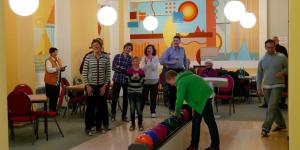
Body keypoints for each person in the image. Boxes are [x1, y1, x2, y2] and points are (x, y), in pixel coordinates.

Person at [166, 70, 220, 150]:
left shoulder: (181, 81)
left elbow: (179, 100)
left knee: (210, 122)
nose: (170, 84)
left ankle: (215, 147)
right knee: (196, 122)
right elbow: (194, 92)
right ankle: (194, 146)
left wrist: (176, 113)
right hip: (201, 98)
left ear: (171, 78)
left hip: (204, 98)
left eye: (169, 82)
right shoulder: (185, 77)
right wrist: (194, 107)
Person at [257, 39, 288, 137]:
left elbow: (289, 68)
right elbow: (259, 74)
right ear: (265, 48)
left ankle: (265, 128)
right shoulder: (262, 59)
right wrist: (258, 87)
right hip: (266, 87)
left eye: (272, 47)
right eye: (268, 47)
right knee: (274, 107)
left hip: (278, 85)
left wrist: (282, 72)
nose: (270, 49)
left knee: (271, 107)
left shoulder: (282, 57)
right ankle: (282, 125)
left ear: (275, 47)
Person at [82, 38, 111, 136]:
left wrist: (104, 86)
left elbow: (108, 74)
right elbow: (84, 72)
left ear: (101, 46)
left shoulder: (106, 58)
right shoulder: (88, 57)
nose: (95, 47)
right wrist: (87, 85)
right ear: (92, 46)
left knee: (100, 108)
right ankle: (88, 128)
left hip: (101, 87)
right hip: (91, 87)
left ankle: (99, 127)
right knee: (90, 108)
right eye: (94, 45)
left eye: (97, 45)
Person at [160, 35, 188, 114]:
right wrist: (171, 62)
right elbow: (162, 61)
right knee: (172, 91)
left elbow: (185, 60)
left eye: (177, 40)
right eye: (174, 40)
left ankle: (180, 108)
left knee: (181, 90)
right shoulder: (168, 50)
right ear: (173, 41)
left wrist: (186, 69)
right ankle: (172, 108)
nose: (176, 42)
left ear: (180, 41)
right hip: (171, 72)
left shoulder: (182, 49)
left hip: (181, 71)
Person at [111, 43, 133, 122]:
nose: (128, 49)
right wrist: (124, 69)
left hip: (126, 80)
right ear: (124, 48)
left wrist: (119, 67)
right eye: (127, 47)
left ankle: (124, 116)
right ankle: (113, 114)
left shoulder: (131, 58)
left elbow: (129, 70)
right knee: (114, 97)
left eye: (130, 48)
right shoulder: (117, 56)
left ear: (131, 50)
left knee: (125, 98)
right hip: (117, 79)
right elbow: (113, 67)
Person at [126, 57, 145, 131]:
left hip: (139, 91)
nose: (135, 62)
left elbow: (142, 82)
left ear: (139, 62)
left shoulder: (141, 71)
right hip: (131, 92)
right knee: (132, 109)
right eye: (134, 61)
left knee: (139, 109)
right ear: (132, 62)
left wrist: (138, 78)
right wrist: (133, 78)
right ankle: (132, 125)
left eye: (137, 61)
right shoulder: (129, 71)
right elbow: (127, 81)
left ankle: (140, 124)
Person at [44, 47, 66, 112]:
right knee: (51, 97)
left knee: (56, 96)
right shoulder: (48, 60)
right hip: (50, 82)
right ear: (51, 53)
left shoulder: (58, 59)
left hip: (57, 81)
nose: (56, 53)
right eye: (55, 52)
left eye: (57, 52)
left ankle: (54, 110)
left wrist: (62, 69)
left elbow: (60, 68)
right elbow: (49, 70)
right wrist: (58, 68)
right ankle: (51, 111)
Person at [140, 44, 159, 118]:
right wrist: (145, 62)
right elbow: (142, 69)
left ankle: (153, 111)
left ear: (153, 50)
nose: (149, 50)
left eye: (150, 49)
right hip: (145, 81)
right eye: (148, 48)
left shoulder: (156, 58)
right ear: (146, 50)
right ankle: (139, 111)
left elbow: (154, 68)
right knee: (143, 97)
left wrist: (150, 60)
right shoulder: (143, 58)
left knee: (153, 97)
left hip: (154, 81)